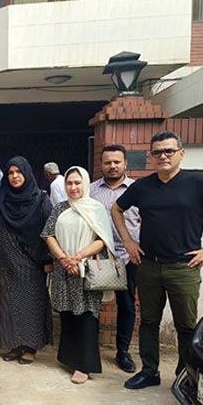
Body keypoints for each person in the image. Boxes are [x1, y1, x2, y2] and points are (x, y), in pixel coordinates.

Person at [113, 131, 203, 390]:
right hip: (149, 265)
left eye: (168, 151)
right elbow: (116, 209)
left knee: (185, 325)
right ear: (151, 156)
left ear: (181, 154)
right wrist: (129, 242)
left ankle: (186, 375)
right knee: (149, 321)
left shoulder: (197, 183)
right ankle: (150, 370)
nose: (163, 156)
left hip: (184, 267)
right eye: (157, 152)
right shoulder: (143, 186)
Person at [41, 166, 115, 384]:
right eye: (69, 183)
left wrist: (78, 257)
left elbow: (103, 239)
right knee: (67, 314)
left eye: (77, 183)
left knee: (85, 317)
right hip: (64, 271)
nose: (73, 187)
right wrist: (64, 259)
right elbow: (48, 235)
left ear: (85, 183)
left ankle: (84, 365)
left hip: (86, 271)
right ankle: (69, 358)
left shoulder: (96, 208)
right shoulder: (61, 208)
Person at [0, 156, 53, 365]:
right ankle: (14, 343)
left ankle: (30, 346)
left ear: (27, 174)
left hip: (34, 260)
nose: (14, 177)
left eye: (18, 172)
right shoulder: (1, 198)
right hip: (9, 259)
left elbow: (49, 229)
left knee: (32, 303)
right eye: (10, 173)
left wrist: (49, 258)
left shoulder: (40, 198)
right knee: (10, 303)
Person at [90, 145, 140, 374]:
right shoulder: (90, 190)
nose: (112, 166)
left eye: (116, 162)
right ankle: (89, 349)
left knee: (127, 305)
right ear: (101, 164)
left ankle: (123, 351)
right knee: (91, 304)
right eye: (108, 162)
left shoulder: (137, 190)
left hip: (128, 258)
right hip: (98, 257)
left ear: (125, 164)